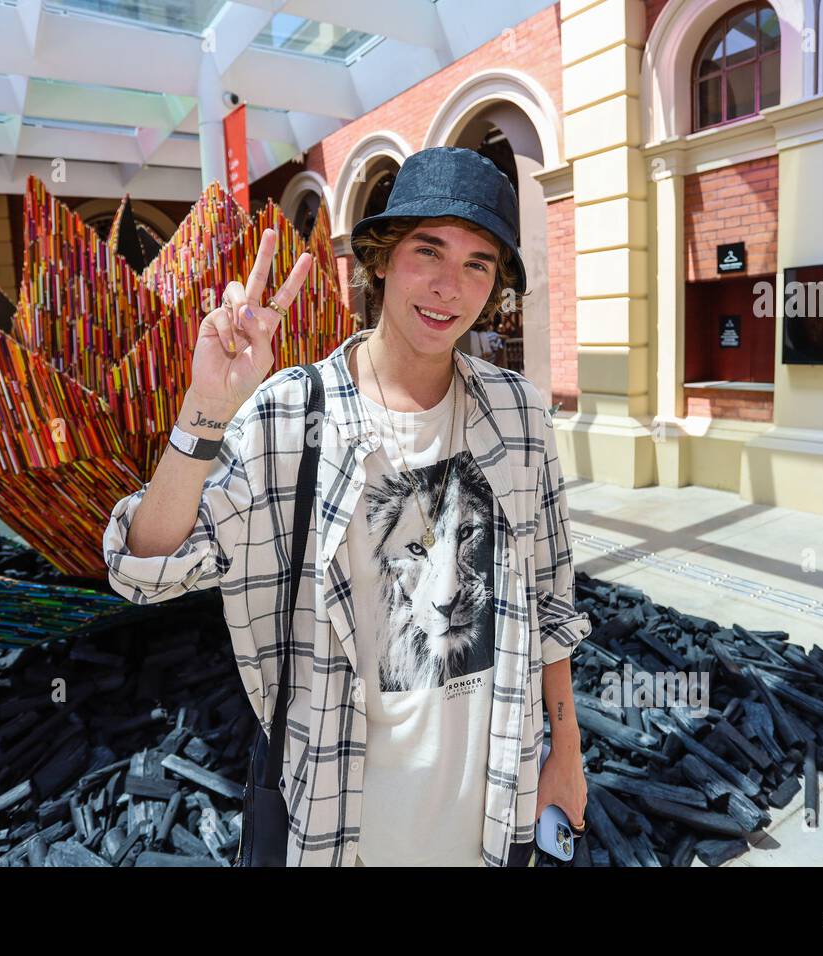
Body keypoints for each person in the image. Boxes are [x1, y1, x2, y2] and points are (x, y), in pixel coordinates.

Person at [103, 146, 589, 867]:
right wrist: (204, 412)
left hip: (493, 809)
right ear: (383, 259)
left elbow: (552, 602)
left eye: (477, 264)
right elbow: (144, 567)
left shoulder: (518, 415)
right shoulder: (291, 416)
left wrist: (566, 752)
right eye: (429, 251)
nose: (449, 287)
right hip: (339, 821)